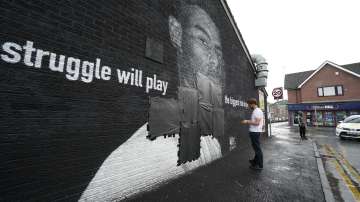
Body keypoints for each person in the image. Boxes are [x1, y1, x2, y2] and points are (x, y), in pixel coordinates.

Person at [80, 3, 225, 201]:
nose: (215, 62)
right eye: (203, 41)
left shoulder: (209, 139)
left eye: (218, 52)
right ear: (176, 32)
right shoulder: (147, 153)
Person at [241, 98, 264, 170]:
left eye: (249, 105)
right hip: (255, 132)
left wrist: (247, 121)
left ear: (253, 104)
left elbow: (257, 123)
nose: (248, 106)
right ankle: (255, 162)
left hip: (255, 132)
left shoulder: (256, 111)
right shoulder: (258, 110)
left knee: (257, 149)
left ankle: (260, 165)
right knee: (256, 148)